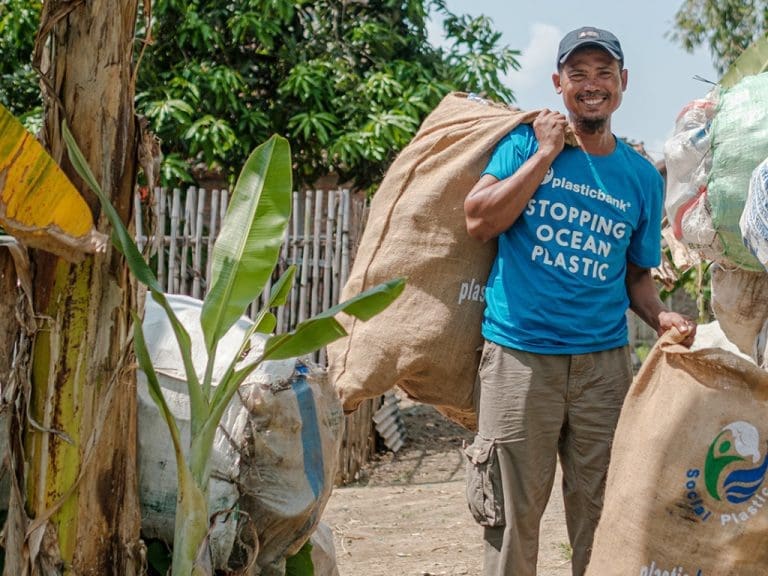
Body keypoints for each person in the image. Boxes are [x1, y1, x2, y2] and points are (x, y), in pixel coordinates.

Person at [462, 26, 697, 576]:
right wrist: (546, 152)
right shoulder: (524, 144)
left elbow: (636, 277)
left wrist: (660, 314)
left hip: (603, 369)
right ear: (558, 84)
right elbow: (479, 220)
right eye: (579, 75)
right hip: (520, 359)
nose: (592, 85)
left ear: (623, 83)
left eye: (603, 73)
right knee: (512, 518)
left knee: (605, 512)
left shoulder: (640, 176)